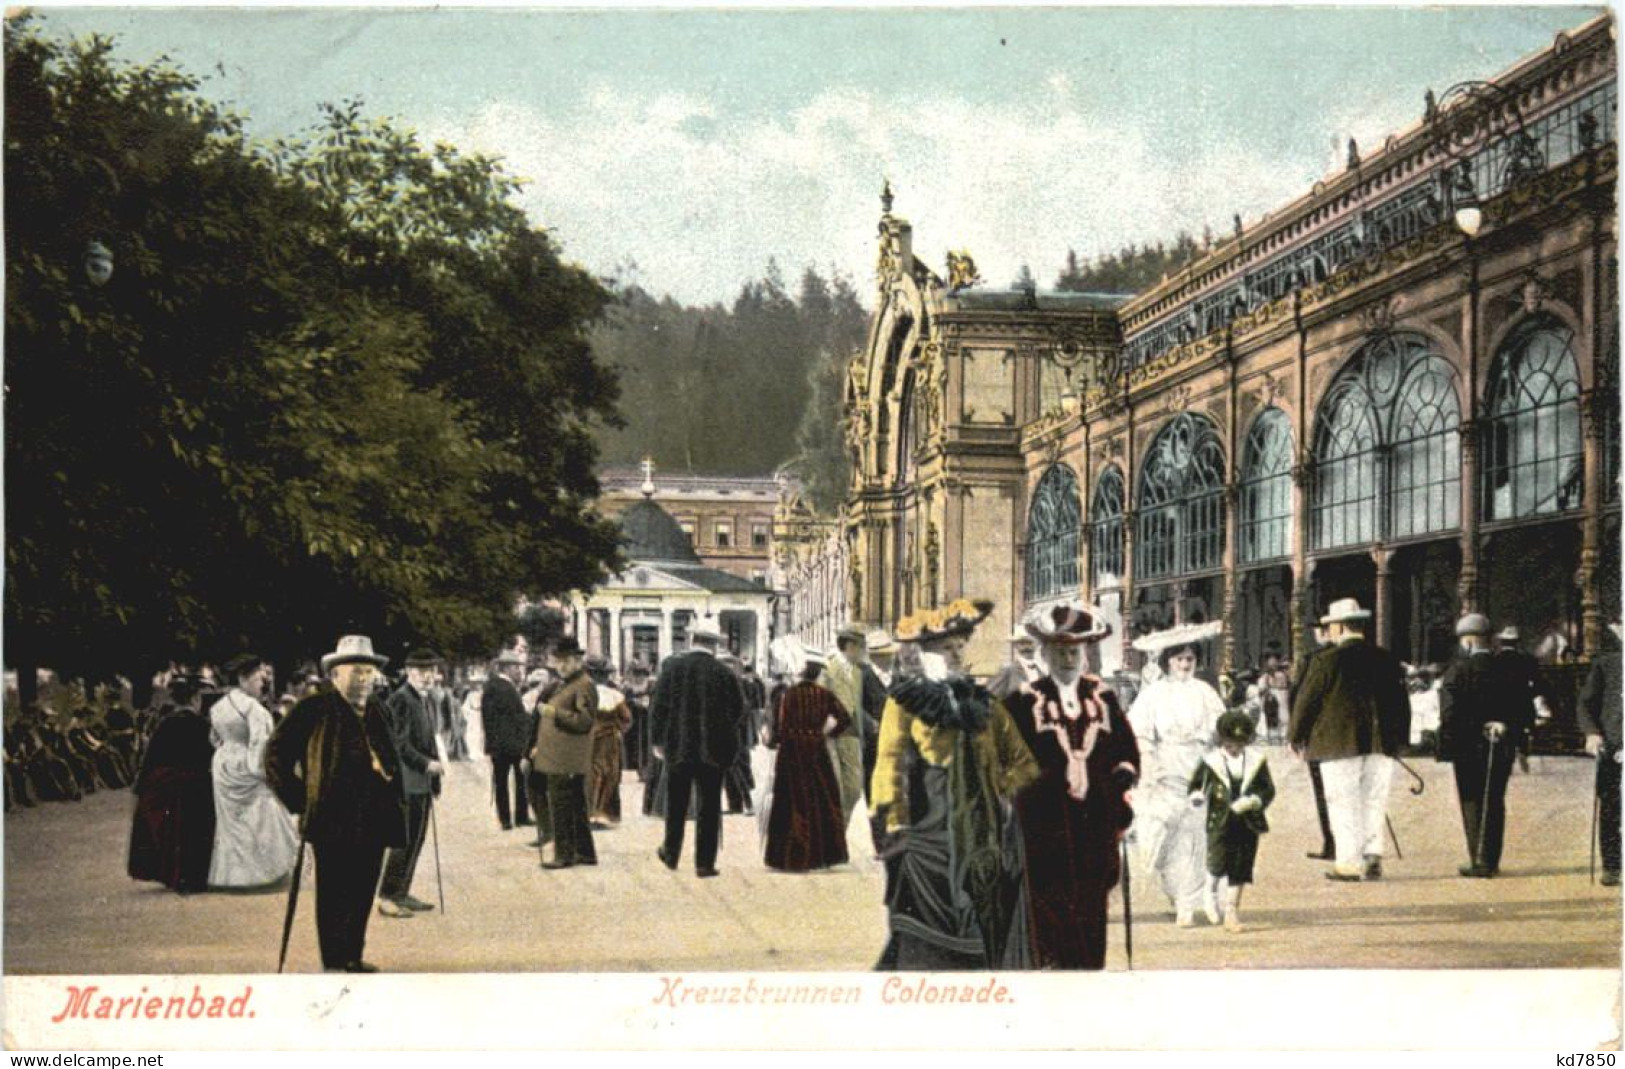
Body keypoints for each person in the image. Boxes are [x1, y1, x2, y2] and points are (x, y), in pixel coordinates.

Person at [871, 599, 1039, 970]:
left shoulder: (983, 703)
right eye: (948, 647)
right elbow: (889, 762)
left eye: (961, 646)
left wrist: (999, 788)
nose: (957, 654)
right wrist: (893, 825)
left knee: (982, 914)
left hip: (980, 825)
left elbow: (1024, 763)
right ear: (927, 653)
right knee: (923, 919)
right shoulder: (906, 701)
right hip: (926, 821)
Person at [1005, 601, 1139, 969]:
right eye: (1060, 652)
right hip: (1044, 820)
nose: (1068, 659)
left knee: (1092, 897)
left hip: (1096, 816)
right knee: (1050, 897)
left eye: (1074, 652)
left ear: (1084, 655)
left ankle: (1088, 968)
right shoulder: (1022, 701)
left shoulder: (1104, 698)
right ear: (1046, 654)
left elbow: (1125, 750)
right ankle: (1054, 967)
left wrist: (1120, 782)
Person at [265, 635, 407, 974]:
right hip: (333, 818)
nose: (364, 679)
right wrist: (300, 800)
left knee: (362, 889)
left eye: (369, 672)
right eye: (356, 672)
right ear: (335, 675)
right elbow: (275, 756)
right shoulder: (314, 708)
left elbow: (392, 756)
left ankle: (353, 955)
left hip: (374, 816)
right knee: (333, 891)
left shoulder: (379, 709)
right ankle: (333, 959)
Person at [1289, 598, 1410, 882]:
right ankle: (1372, 857)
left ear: (1341, 627)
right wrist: (1399, 739)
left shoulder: (1326, 661)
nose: (1329, 631)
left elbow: (1307, 701)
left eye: (1331, 626)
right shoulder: (1386, 658)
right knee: (1374, 800)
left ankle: (1348, 863)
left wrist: (1296, 736)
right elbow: (1401, 704)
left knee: (1343, 802)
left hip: (1337, 743)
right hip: (1381, 744)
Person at [1127, 625, 1226, 926]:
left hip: (1197, 767)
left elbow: (1221, 726)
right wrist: (1149, 763)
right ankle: (1175, 890)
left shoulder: (1205, 692)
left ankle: (1188, 901)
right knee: (1158, 838)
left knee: (1193, 837)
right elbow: (1140, 732)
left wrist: (1214, 738)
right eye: (1179, 659)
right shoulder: (1153, 694)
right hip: (1163, 769)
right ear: (1168, 661)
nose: (1185, 664)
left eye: (1190, 659)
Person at [1439, 614, 1538, 878]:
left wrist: (1448, 746)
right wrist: (1509, 731)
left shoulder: (1458, 670)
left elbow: (1449, 712)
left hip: (1467, 747)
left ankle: (1478, 859)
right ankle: (1492, 859)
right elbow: (1522, 706)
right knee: (1495, 799)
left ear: (1468, 642)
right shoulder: (1507, 669)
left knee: (1471, 801)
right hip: (1500, 744)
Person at [650, 617, 745, 878]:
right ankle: (704, 863)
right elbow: (739, 710)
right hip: (713, 751)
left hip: (678, 748)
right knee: (709, 806)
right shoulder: (725, 673)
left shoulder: (672, 669)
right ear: (714, 645)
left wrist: (657, 740)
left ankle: (671, 854)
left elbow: (658, 708)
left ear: (692, 640)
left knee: (676, 802)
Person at [206, 653, 299, 889]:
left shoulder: (218, 707)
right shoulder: (255, 710)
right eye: (259, 680)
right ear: (244, 679)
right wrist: (263, 774)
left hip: (224, 764)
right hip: (247, 763)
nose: (262, 685)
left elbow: (214, 738)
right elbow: (261, 746)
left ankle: (231, 876)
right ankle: (260, 874)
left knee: (232, 824)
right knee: (262, 816)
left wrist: (228, 751)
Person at [762, 647, 851, 873]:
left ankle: (789, 856)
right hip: (815, 749)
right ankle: (819, 855)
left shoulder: (787, 695)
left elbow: (778, 730)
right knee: (819, 799)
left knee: (791, 801)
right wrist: (826, 732)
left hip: (791, 752)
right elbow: (844, 719)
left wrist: (773, 741)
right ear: (818, 673)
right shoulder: (824, 695)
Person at [127, 675, 216, 893]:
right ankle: (194, 876)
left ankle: (171, 874)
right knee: (195, 830)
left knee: (170, 831)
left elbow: (151, 757)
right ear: (195, 698)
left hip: (166, 783)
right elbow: (210, 755)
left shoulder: (165, 724)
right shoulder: (202, 724)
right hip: (195, 784)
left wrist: (141, 786)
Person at [1189, 709, 1275, 933]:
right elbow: (1197, 784)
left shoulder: (1257, 762)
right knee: (1217, 863)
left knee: (1241, 867)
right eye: (1229, 745)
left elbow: (1268, 789)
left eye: (1239, 744)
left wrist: (1254, 800)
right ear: (1221, 741)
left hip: (1247, 822)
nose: (1234, 749)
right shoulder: (1211, 762)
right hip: (1220, 821)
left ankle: (1231, 911)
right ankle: (1210, 893)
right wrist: (1197, 795)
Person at [377, 650, 445, 916]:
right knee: (402, 841)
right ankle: (387, 896)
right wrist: (426, 764)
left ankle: (401, 892)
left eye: (430, 671)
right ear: (409, 672)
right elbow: (399, 742)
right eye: (420, 671)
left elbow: (430, 740)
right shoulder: (402, 699)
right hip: (408, 781)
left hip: (422, 783)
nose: (427, 676)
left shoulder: (422, 699)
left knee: (416, 839)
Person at [531, 639, 597, 869]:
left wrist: (554, 712)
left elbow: (585, 721)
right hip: (560, 757)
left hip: (567, 758)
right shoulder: (565, 684)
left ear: (577, 661)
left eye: (565, 661)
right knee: (575, 807)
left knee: (562, 807)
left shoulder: (583, 685)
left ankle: (564, 855)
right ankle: (585, 853)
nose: (560, 665)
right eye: (558, 661)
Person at [1579, 624, 1622, 887]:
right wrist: (1592, 733)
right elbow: (1586, 704)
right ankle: (1613, 865)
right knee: (1611, 808)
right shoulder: (1607, 665)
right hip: (1614, 749)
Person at [1292, 625, 1337, 860]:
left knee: (1324, 792)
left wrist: (1297, 735)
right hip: (1356, 737)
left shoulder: (1314, 660)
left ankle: (1332, 843)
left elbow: (1300, 697)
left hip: (1320, 736)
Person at [818, 625, 869, 829]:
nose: (864, 652)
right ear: (849, 646)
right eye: (862, 647)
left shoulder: (857, 672)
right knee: (832, 788)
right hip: (829, 736)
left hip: (851, 736)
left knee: (854, 788)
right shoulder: (828, 668)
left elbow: (858, 705)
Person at [480, 650, 532, 831]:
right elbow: (516, 716)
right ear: (507, 668)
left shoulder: (493, 686)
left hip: (498, 744)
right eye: (515, 667)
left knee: (501, 782)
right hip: (512, 743)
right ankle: (519, 817)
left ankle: (507, 818)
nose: (518, 671)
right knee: (519, 780)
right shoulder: (504, 687)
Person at [586, 656, 632, 827]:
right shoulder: (615, 696)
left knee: (590, 775)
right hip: (609, 741)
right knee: (609, 775)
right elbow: (626, 718)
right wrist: (618, 729)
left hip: (587, 739)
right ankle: (603, 812)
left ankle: (588, 812)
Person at [987, 628, 1043, 702]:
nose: (1026, 647)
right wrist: (1018, 690)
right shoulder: (1007, 670)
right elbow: (990, 698)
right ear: (1015, 646)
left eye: (1029, 642)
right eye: (1022, 643)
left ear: (1036, 645)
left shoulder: (1043, 672)